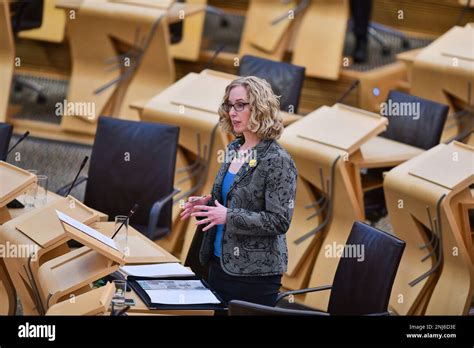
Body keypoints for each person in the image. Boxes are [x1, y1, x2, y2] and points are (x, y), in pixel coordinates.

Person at [180, 76, 297, 306]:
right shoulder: (235, 147)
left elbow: (279, 221)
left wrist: (228, 216)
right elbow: (230, 198)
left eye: (240, 105)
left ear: (261, 107)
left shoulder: (277, 160)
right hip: (217, 263)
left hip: (253, 276)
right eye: (230, 105)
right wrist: (207, 203)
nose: (232, 112)